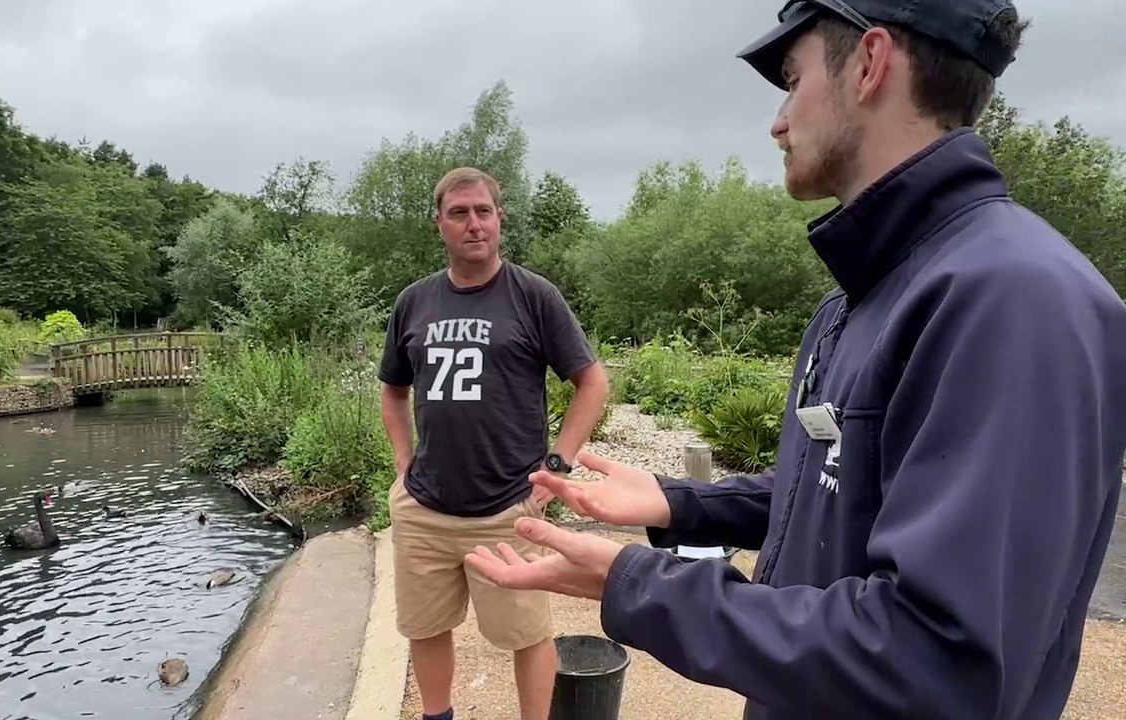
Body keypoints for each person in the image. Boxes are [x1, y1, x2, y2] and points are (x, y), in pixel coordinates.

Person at [465, 1, 1126, 718]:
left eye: (792, 78)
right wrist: (680, 502)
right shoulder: (859, 301)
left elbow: (935, 660)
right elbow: (837, 495)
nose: (778, 120)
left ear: (870, 63)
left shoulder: (1013, 300)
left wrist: (636, 583)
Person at [378, 166, 610, 720]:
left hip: (509, 507)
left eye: (483, 211)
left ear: (499, 219)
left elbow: (591, 382)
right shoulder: (414, 302)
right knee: (426, 627)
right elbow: (392, 391)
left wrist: (558, 466)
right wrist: (404, 465)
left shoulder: (534, 296)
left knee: (527, 634)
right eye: (459, 213)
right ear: (439, 224)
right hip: (425, 509)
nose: (473, 223)